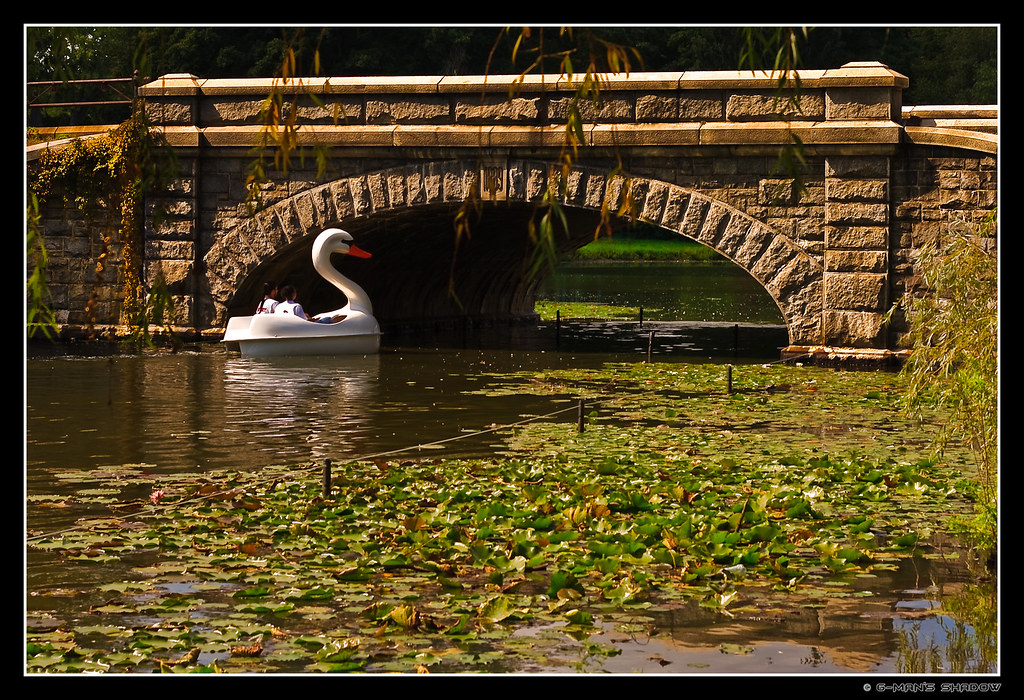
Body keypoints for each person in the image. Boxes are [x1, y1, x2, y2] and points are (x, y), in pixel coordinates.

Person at [275, 284, 345, 323]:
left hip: (284, 327)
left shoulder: (278, 306)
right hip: (299, 329)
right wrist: (313, 320)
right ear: (293, 294)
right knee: (328, 319)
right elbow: (304, 322)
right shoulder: (296, 306)